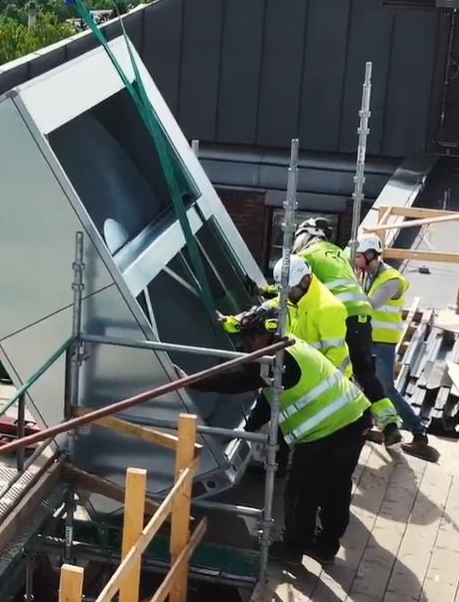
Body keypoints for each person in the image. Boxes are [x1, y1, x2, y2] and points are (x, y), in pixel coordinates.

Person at [177, 305, 370, 565]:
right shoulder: (288, 347)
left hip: (328, 431)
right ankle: (325, 547)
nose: (246, 345)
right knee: (336, 487)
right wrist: (250, 427)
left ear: (262, 335)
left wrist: (191, 382)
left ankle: (293, 549)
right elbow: (270, 400)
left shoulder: (276, 361)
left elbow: (236, 380)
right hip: (355, 417)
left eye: (249, 338)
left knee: (300, 490)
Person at [292, 217, 402, 446]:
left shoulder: (306, 257)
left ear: (307, 236)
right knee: (364, 371)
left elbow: (292, 287)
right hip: (363, 314)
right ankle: (390, 424)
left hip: (341, 315)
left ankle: (342, 426)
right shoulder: (339, 253)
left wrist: (264, 292)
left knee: (332, 373)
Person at [350, 235, 441, 462]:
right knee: (365, 384)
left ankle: (418, 432)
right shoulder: (368, 277)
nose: (356, 260)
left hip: (383, 343)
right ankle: (375, 426)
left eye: (358, 256)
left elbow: (369, 305)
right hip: (368, 340)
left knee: (385, 387)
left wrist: (348, 285)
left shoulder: (391, 279)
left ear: (370, 255)